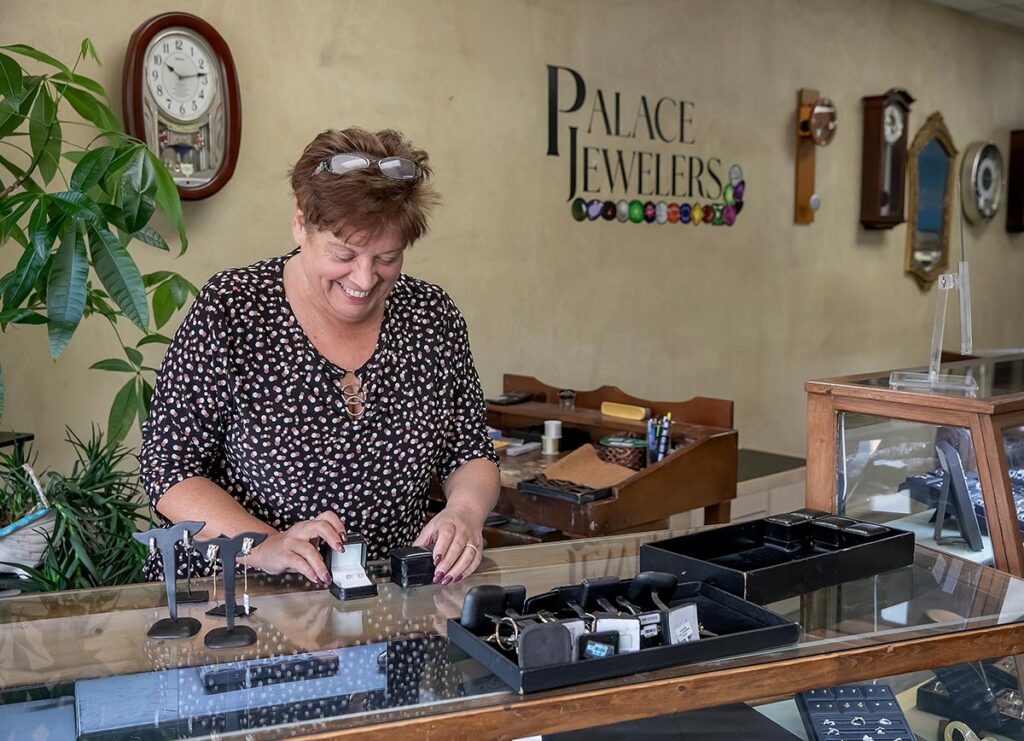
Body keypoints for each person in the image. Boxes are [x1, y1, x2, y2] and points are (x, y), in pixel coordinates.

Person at [139, 127, 500, 588]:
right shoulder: (233, 308)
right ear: (300, 224)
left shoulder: (431, 316)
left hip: (386, 595)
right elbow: (170, 469)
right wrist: (264, 543)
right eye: (344, 254)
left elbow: (469, 450)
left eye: (387, 257)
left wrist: (466, 513)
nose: (365, 279)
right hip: (239, 600)